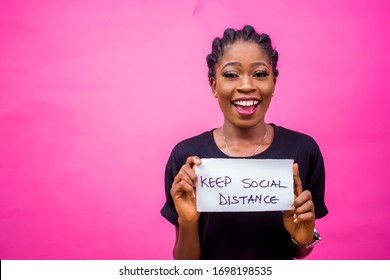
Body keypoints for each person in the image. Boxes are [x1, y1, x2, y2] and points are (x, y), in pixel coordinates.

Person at [160, 25, 328, 260]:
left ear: (274, 83)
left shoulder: (303, 151)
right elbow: (186, 267)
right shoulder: (186, 158)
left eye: (259, 74)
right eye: (231, 74)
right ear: (214, 85)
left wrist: (302, 237)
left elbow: (299, 252)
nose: (247, 85)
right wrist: (187, 222)